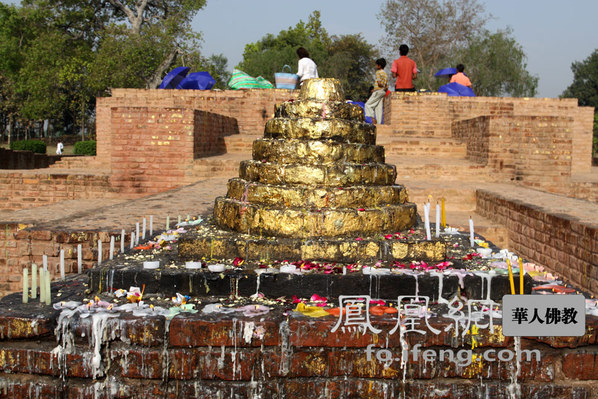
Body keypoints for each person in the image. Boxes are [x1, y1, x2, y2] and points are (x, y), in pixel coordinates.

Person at [364, 58, 388, 124]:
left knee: (368, 105)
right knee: (378, 108)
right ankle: (379, 124)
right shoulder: (385, 73)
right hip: (383, 92)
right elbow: (386, 85)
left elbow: (379, 83)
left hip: (378, 91)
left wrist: (381, 86)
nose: (376, 66)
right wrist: (384, 88)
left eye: (376, 65)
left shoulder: (378, 72)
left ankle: (373, 118)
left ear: (379, 66)